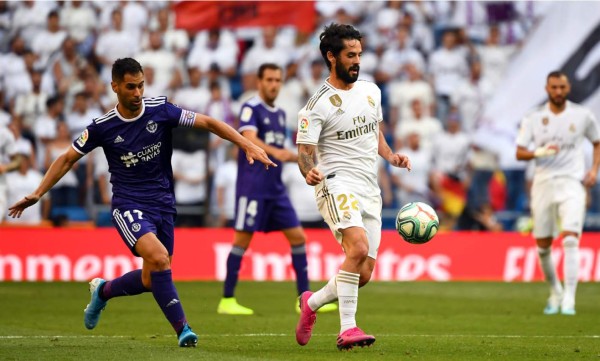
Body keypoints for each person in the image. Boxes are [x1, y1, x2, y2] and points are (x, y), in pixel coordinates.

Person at [8, 58, 275, 347]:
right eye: (131, 87)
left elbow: (209, 122)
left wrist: (247, 144)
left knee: (151, 278)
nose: (137, 93)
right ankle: (184, 329)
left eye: (141, 86)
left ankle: (103, 291)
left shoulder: (161, 110)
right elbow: (67, 158)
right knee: (160, 259)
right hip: (128, 204)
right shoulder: (103, 127)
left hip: (162, 203)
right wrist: (38, 192)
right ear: (115, 87)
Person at [295, 24, 411, 350]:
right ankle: (348, 329)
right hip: (335, 183)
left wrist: (391, 156)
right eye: (350, 55)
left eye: (359, 54)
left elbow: (375, 132)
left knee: (364, 273)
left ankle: (312, 303)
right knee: (357, 248)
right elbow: (304, 153)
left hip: (368, 187)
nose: (357, 61)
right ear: (332, 57)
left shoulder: (371, 91)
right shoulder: (316, 104)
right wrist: (309, 172)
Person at [217, 63, 337, 315]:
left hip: (275, 189)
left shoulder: (281, 113)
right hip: (252, 187)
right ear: (259, 82)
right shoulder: (251, 107)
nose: (273, 84)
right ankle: (227, 299)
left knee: (298, 238)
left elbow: (281, 150)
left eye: (277, 80)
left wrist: (300, 157)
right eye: (269, 79)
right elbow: (248, 138)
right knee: (241, 240)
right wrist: (278, 152)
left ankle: (303, 299)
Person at [516, 71, 600, 316]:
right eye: (554, 87)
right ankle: (555, 291)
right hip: (543, 183)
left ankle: (570, 300)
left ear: (568, 87)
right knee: (543, 246)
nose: (558, 92)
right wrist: (539, 153)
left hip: (572, 182)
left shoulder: (582, 115)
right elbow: (519, 152)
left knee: (571, 238)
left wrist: (594, 170)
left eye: (562, 87)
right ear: (547, 89)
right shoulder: (533, 117)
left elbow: (597, 142)